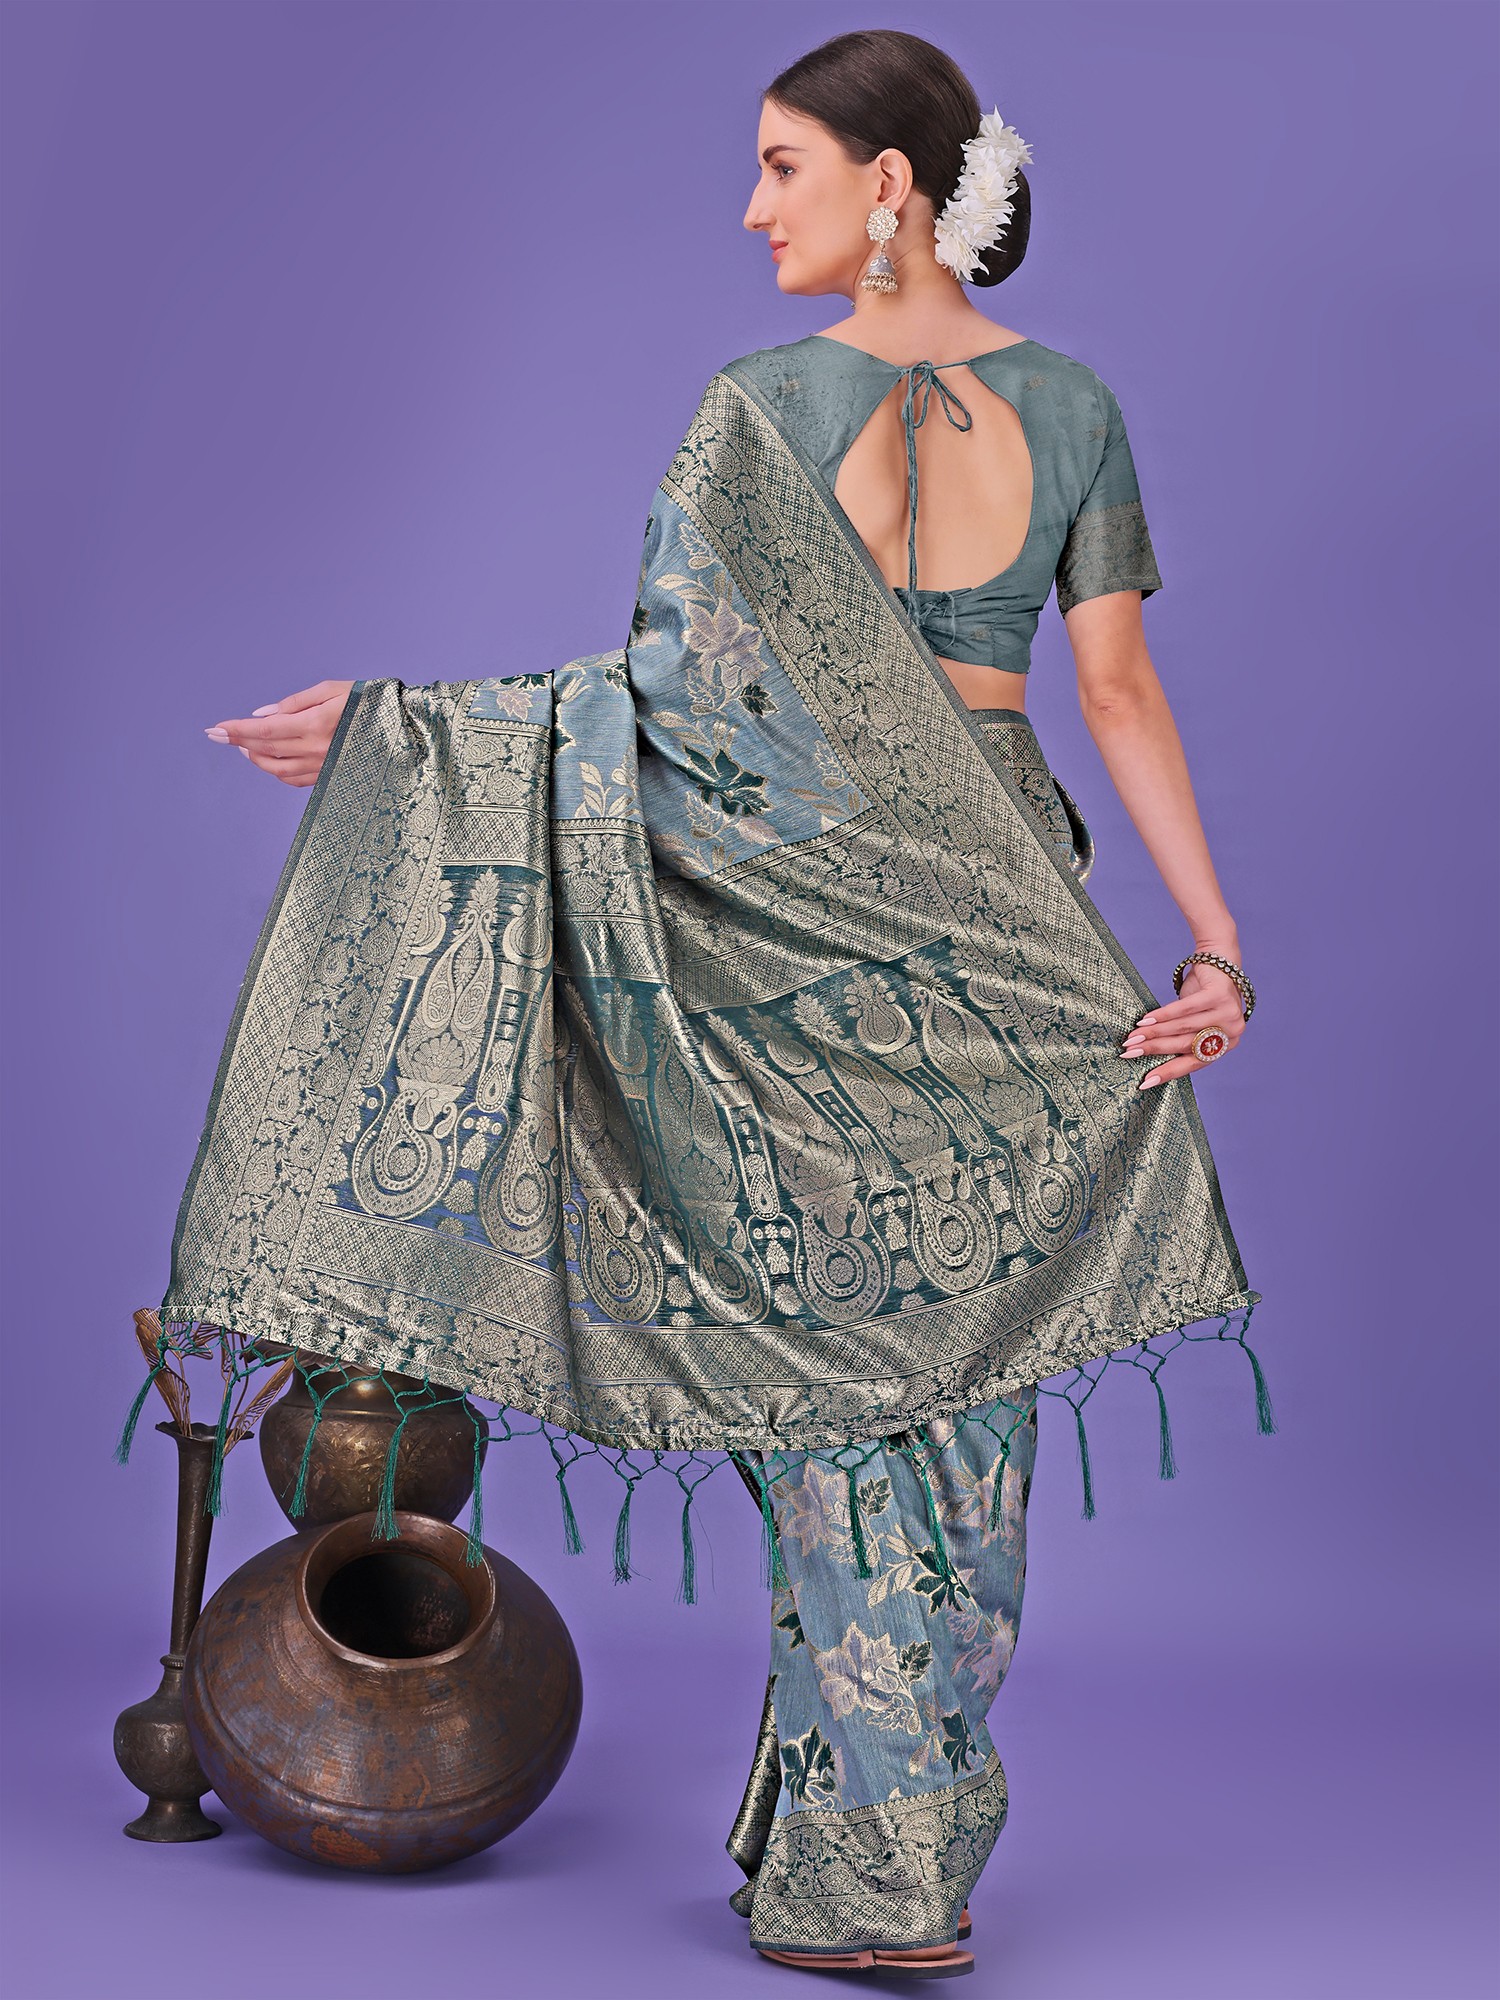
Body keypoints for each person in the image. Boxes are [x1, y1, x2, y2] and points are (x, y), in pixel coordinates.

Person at [183, 28, 1262, 1983]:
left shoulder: (757, 410)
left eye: (783, 164)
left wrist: (412, 733)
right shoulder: (1077, 406)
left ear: (891, 184)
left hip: (795, 924)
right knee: (963, 1376)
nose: (754, 206)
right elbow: (1114, 695)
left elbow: (669, 715)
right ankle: (874, 1836)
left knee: (830, 1376)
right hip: (1011, 916)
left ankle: (875, 1870)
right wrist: (1213, 948)